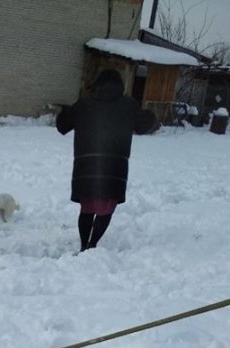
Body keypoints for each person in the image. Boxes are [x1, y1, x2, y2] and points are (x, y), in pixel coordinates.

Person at [56, 69, 157, 252]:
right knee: (106, 208)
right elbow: (144, 126)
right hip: (114, 168)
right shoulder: (128, 104)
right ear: (120, 85)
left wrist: (64, 112)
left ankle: (83, 245)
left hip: (87, 166)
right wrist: (150, 115)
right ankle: (92, 244)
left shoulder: (84, 103)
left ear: (98, 84)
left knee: (87, 208)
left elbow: (63, 126)